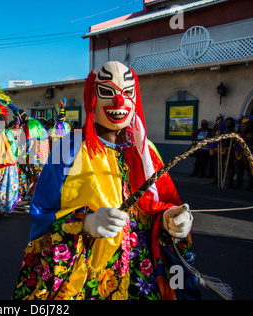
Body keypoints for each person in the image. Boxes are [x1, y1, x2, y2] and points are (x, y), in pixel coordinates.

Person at [12, 61, 198, 300]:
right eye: (107, 92)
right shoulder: (68, 146)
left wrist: (173, 219)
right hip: (88, 274)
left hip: (143, 275)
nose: (119, 102)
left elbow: (163, 203)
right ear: (92, 96)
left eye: (127, 93)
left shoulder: (146, 149)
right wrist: (85, 224)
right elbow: (41, 213)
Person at [234, 115, 253, 190]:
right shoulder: (239, 133)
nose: (242, 127)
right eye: (241, 125)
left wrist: (238, 136)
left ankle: (251, 184)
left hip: (246, 152)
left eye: (244, 125)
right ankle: (239, 183)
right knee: (239, 168)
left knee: (248, 168)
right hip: (238, 152)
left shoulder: (250, 133)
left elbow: (246, 139)